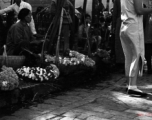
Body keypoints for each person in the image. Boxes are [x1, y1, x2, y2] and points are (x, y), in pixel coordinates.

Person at [120, 0, 152, 96]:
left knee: (129, 57)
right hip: (134, 26)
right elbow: (139, 10)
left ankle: (129, 84)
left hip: (125, 25)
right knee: (136, 55)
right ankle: (133, 86)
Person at [112, 0, 125, 69]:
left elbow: (115, 13)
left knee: (121, 43)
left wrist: (114, 26)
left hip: (121, 22)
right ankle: (121, 63)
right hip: (122, 22)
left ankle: (121, 63)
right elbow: (115, 13)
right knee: (120, 43)